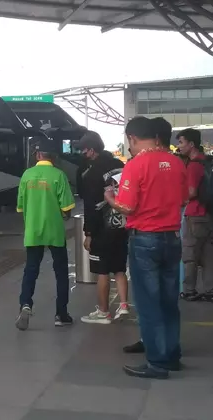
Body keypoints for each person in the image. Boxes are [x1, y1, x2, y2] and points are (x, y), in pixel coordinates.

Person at [103, 116, 188, 379]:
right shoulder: (176, 162)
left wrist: (109, 197)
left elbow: (127, 207)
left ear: (132, 138)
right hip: (172, 238)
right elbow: (185, 198)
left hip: (145, 240)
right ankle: (172, 356)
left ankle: (157, 363)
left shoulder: (136, 164)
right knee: (168, 301)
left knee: (149, 303)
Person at [16, 148, 77, 331]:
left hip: (33, 231)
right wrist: (64, 214)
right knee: (60, 272)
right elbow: (66, 207)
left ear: (37, 155)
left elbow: (20, 206)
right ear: (53, 157)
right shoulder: (59, 175)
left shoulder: (27, 175)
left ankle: (25, 304)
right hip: (55, 231)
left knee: (31, 269)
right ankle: (61, 314)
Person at [77, 131, 128, 324]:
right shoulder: (119, 165)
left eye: (83, 150)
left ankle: (104, 312)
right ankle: (123, 306)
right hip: (122, 224)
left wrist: (88, 233)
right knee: (120, 268)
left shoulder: (91, 173)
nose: (82, 154)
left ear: (91, 150)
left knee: (103, 271)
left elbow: (90, 206)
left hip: (102, 228)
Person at [176, 128, 213, 302]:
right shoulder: (208, 162)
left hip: (195, 215)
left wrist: (179, 200)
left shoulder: (194, 165)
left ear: (191, 144)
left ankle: (189, 290)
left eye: (181, 142)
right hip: (210, 214)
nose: (179, 146)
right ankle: (211, 290)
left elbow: (192, 192)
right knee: (208, 254)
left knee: (190, 254)